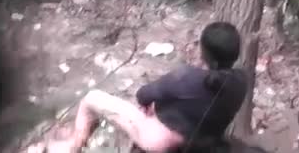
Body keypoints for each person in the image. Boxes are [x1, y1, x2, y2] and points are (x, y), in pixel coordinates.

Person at [31, 22, 247, 153]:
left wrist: (152, 107)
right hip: (203, 139)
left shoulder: (187, 77)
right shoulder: (242, 81)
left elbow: (143, 94)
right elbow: (201, 100)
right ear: (235, 53)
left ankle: (74, 145)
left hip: (161, 141)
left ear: (203, 52)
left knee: (91, 98)